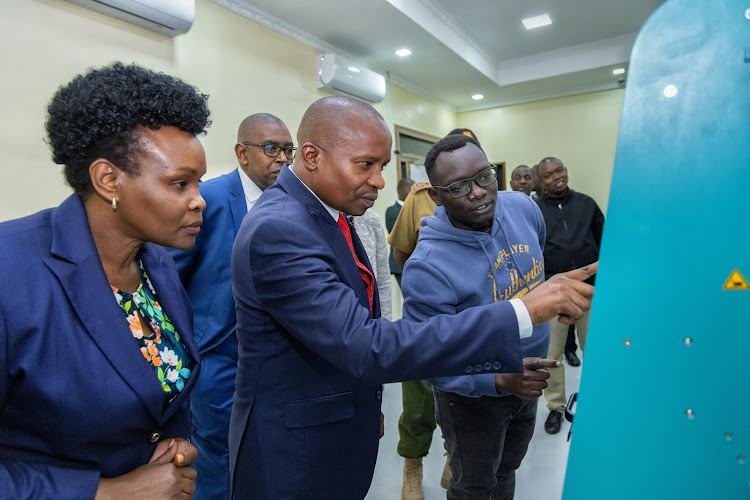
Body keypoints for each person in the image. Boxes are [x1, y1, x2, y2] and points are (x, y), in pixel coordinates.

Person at [228, 96, 596, 498]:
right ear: (313, 156)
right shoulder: (280, 229)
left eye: (382, 166)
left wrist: (371, 405)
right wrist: (524, 310)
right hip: (294, 450)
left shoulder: (326, 214)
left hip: (339, 423)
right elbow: (366, 345)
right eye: (365, 164)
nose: (381, 181)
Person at [0, 62, 210, 498]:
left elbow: (158, 397)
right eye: (180, 184)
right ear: (108, 179)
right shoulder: (11, 270)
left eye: (198, 182)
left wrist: (176, 446)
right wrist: (106, 492)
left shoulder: (158, 263)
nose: (199, 201)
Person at [403, 134, 558, 499]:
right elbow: (426, 359)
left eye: (484, 176)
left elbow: (536, 259)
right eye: (458, 186)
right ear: (436, 196)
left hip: (530, 380)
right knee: (474, 484)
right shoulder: (427, 267)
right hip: (473, 399)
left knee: (507, 469)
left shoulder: (522, 207)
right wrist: (498, 381)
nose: (477, 192)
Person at [167, 113, 293, 499]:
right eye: (272, 148)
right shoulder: (210, 199)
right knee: (218, 454)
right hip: (218, 356)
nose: (283, 159)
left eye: (288, 150)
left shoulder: (291, 202)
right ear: (242, 153)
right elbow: (171, 277)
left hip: (276, 357)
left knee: (265, 451)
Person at [388, 128, 482, 499]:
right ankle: (413, 467)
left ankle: (450, 456)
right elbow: (401, 255)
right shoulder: (421, 198)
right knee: (418, 403)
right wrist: (427, 292)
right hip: (427, 320)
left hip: (473, 321)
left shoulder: (493, 200)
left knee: (464, 401)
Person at [535, 157, 604, 435]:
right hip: (553, 295)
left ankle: (599, 402)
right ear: (542, 181)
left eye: (559, 170)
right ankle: (556, 407)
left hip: (590, 291)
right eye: (549, 175)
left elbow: (606, 242)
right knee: (552, 358)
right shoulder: (535, 210)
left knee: (598, 353)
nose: (556, 177)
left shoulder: (587, 204)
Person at [353, 209, 392, 321]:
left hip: (373, 326)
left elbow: (382, 282)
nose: (379, 190)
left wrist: (385, 328)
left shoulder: (371, 220)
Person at [385, 177, 414, 288]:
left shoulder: (413, 208)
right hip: (400, 261)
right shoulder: (392, 211)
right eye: (410, 189)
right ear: (401, 191)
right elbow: (401, 235)